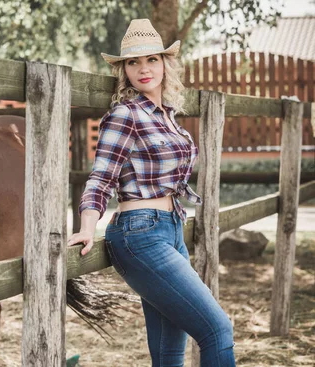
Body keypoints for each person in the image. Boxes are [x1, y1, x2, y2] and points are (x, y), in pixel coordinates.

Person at [67, 19, 236, 366]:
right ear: (123, 70)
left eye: (151, 60)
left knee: (170, 352)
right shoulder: (125, 115)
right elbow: (100, 178)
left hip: (171, 228)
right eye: (133, 62)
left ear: (165, 64)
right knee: (217, 331)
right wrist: (86, 227)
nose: (143, 69)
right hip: (139, 234)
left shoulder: (168, 116)